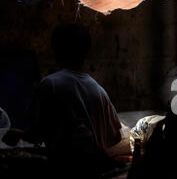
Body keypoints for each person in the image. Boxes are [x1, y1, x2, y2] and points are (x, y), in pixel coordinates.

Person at [2, 23, 122, 156]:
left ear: (56, 50)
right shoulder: (99, 90)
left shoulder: (50, 84)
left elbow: (36, 135)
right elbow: (115, 138)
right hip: (93, 174)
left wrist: (17, 134)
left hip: (62, 171)